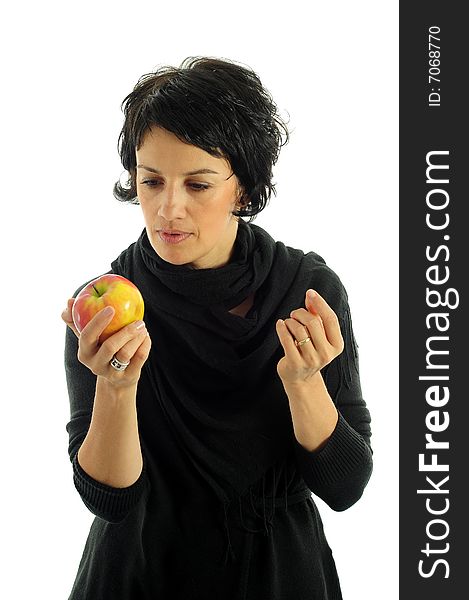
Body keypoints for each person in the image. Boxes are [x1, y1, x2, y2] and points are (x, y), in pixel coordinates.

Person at [62, 56, 373, 600]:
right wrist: (116, 386)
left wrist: (304, 383)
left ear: (244, 190)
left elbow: (345, 487)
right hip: (137, 574)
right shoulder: (105, 306)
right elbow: (110, 501)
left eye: (198, 184)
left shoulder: (307, 291)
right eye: (151, 181)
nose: (168, 209)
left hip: (278, 576)